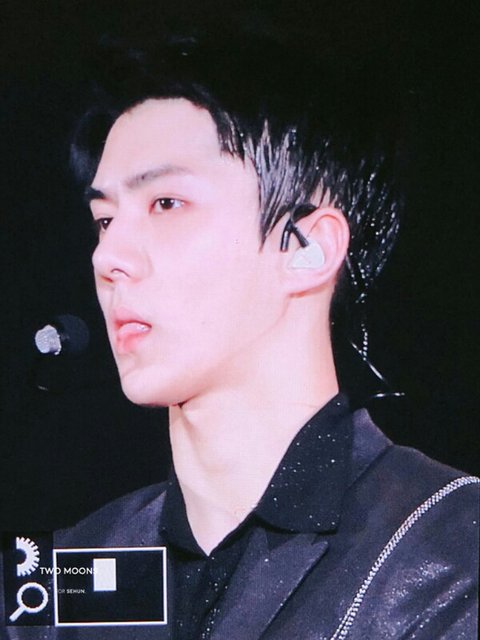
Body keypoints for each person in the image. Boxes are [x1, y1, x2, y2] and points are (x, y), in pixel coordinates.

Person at [2, 33, 478, 640]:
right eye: (105, 220)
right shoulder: (69, 570)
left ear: (307, 249)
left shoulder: (444, 553)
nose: (108, 256)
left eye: (166, 203)